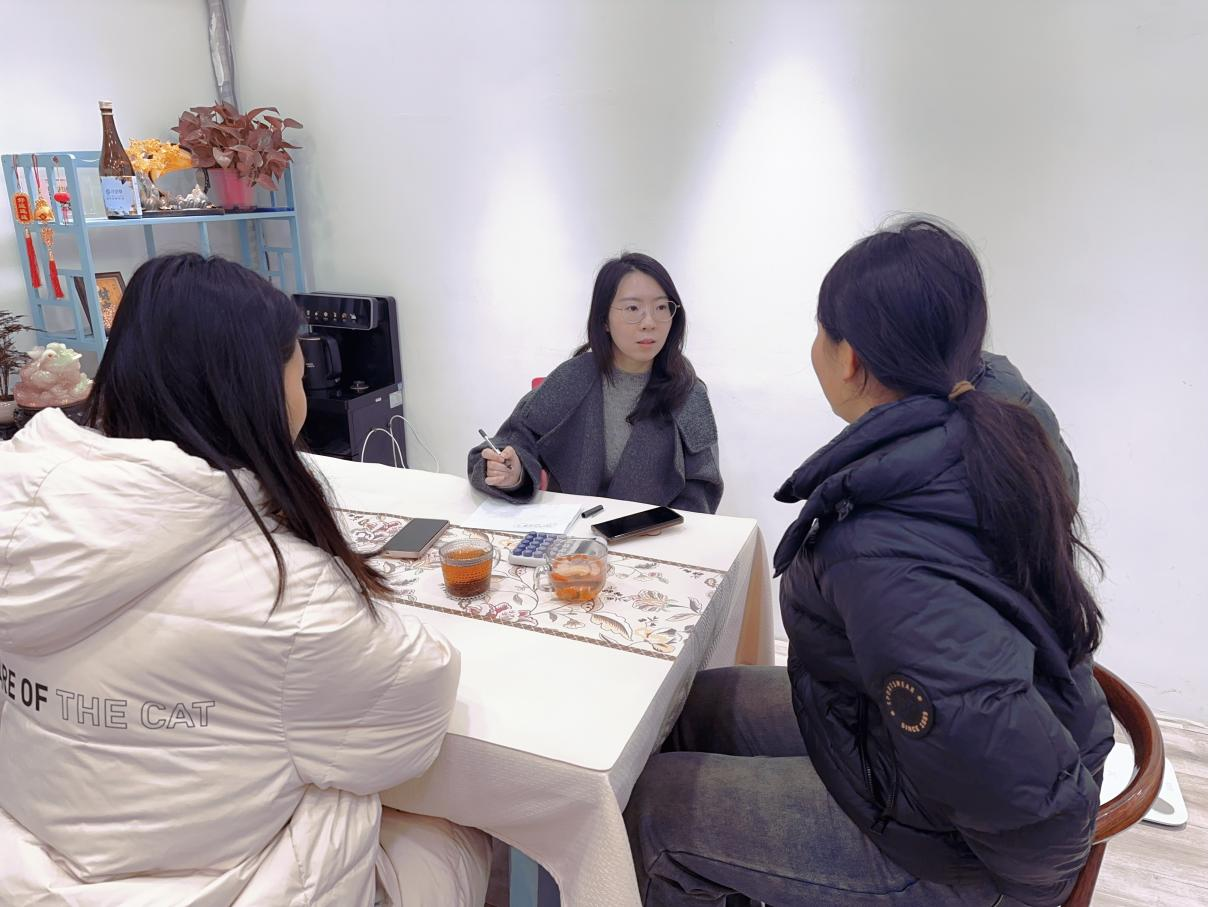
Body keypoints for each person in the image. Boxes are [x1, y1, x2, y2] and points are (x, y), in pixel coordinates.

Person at [624, 219, 1113, 907]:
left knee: (652, 809)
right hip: (936, 740)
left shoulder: (882, 541)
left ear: (849, 359)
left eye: (821, 331)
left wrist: (1019, 886)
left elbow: (1012, 787)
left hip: (958, 848)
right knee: (689, 707)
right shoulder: (1004, 411)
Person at [0, 254, 490, 906]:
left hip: (30, 867)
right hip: (226, 885)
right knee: (455, 827)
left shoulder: (22, 513)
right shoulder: (288, 592)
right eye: (298, 368)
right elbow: (407, 726)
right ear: (259, 387)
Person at [467, 252, 723, 514]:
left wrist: (665, 521)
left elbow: (703, 484)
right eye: (633, 309)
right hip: (574, 526)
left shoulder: (688, 391)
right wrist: (514, 473)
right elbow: (514, 441)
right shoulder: (572, 377)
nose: (649, 323)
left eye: (661, 307)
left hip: (654, 532)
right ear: (604, 320)